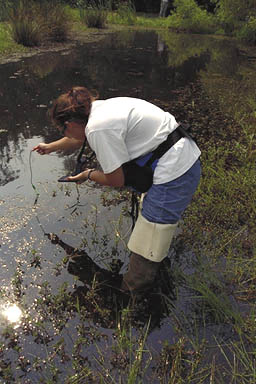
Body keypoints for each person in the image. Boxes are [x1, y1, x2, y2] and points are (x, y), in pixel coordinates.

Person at [33, 86, 201, 295]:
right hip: (178, 153)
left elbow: (116, 179)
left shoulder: (97, 128)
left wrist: (88, 175)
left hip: (176, 170)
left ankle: (132, 293)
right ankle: (158, 266)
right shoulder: (99, 110)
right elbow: (78, 135)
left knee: (150, 234)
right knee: (152, 223)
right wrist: (51, 147)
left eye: (62, 130)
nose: (64, 134)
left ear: (69, 123)